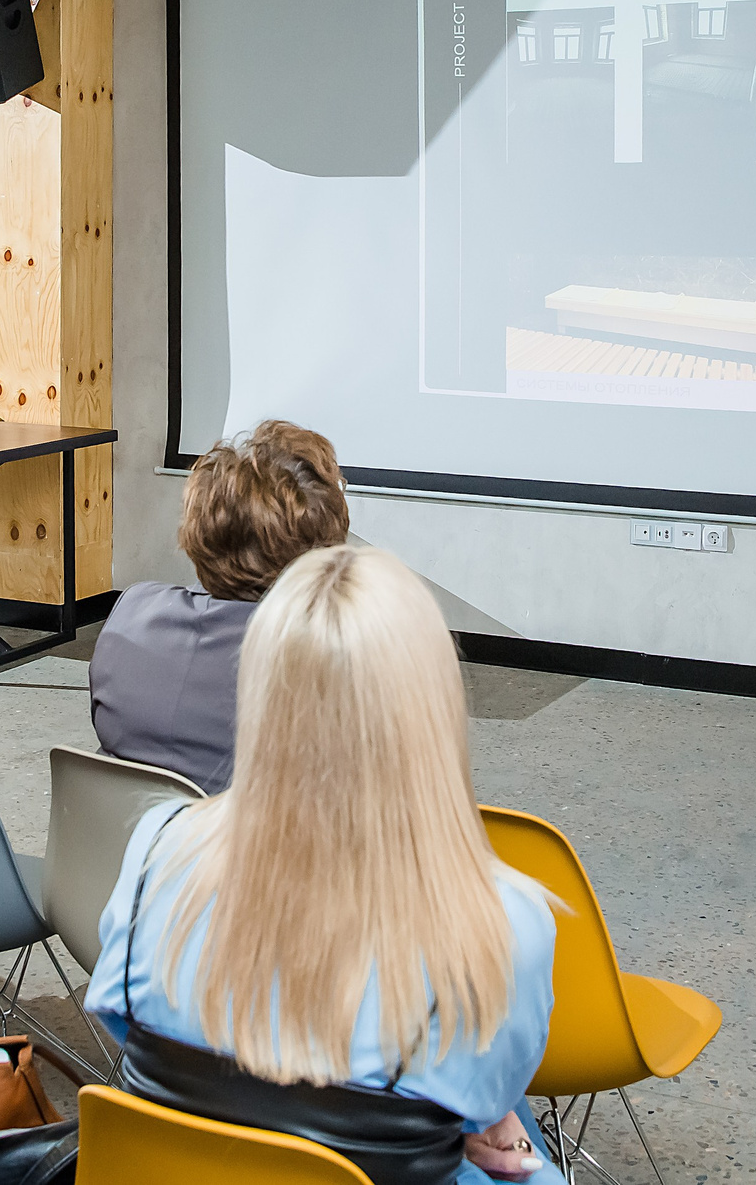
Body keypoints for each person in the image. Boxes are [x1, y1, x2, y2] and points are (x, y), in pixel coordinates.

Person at [85, 545, 553, 1185]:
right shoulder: (505, 925)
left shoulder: (155, 850)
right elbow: (486, 1093)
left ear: (259, 689)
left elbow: (131, 1035)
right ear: (433, 706)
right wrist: (471, 1125)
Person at [89, 419, 350, 791]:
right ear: (322, 548)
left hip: (125, 844)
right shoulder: (330, 662)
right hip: (262, 848)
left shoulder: (131, 611)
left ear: (199, 530)